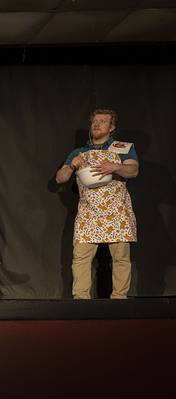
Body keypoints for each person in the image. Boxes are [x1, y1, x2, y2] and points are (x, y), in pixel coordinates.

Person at [55, 108, 138, 299]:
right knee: (81, 258)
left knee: (121, 258)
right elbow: (60, 178)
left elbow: (133, 171)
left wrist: (115, 166)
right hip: (89, 211)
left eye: (102, 121)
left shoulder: (122, 147)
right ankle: (81, 299)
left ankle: (119, 299)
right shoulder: (79, 152)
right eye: (94, 121)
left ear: (112, 127)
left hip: (117, 209)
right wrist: (71, 165)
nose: (97, 124)